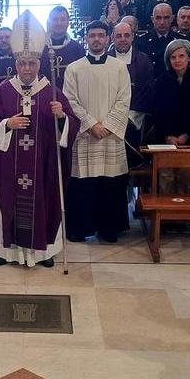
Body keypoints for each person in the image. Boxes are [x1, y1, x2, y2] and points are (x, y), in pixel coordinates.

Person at [0, 51, 77, 267]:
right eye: (22, 63)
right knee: (7, 202)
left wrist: (62, 116)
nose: (27, 68)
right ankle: (6, 251)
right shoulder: (4, 90)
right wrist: (6, 124)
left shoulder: (51, 92)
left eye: (31, 63)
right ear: (16, 64)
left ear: (39, 65)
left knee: (44, 200)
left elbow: (72, 124)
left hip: (43, 163)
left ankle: (44, 252)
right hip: (9, 163)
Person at [62, 21, 132, 244]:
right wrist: (91, 124)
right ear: (86, 38)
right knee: (84, 183)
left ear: (108, 38)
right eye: (92, 35)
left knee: (110, 183)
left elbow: (124, 99)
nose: (96, 39)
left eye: (101, 35)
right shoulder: (73, 69)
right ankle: (80, 228)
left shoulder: (119, 68)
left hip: (110, 136)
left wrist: (108, 125)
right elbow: (70, 101)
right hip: (85, 136)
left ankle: (109, 228)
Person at [110, 20, 156, 156]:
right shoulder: (105, 59)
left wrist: (129, 117)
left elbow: (146, 93)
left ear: (133, 36)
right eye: (118, 36)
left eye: (126, 35)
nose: (123, 39)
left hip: (134, 122)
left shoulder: (144, 61)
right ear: (112, 38)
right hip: (109, 122)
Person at [44, 5, 85, 85]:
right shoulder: (40, 48)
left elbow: (82, 78)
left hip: (71, 96)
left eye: (62, 19)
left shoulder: (78, 49)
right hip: (45, 96)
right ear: (49, 22)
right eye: (55, 19)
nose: (59, 23)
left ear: (68, 22)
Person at [136, 2, 176, 76]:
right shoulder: (141, 41)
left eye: (166, 18)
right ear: (152, 19)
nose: (162, 22)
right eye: (158, 18)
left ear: (172, 19)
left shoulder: (179, 40)